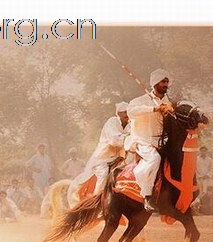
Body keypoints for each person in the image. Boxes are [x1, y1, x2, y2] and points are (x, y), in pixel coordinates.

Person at [125, 69, 174, 211]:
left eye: (167, 82)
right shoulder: (139, 101)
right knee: (154, 159)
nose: (166, 84)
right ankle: (147, 196)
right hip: (143, 140)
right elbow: (131, 112)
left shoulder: (167, 102)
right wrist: (153, 109)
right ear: (154, 83)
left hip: (161, 140)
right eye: (163, 82)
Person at [70, 101, 131, 204]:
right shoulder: (112, 122)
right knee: (103, 175)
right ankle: (96, 203)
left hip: (120, 158)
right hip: (103, 158)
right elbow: (114, 140)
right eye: (124, 112)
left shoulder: (131, 125)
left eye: (128, 112)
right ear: (118, 113)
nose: (127, 114)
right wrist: (131, 138)